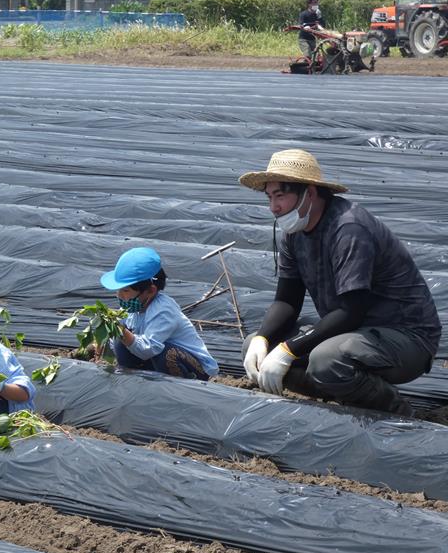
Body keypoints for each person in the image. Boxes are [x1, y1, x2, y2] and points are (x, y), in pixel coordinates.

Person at [238, 149, 441, 416]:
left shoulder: (348, 229)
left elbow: (351, 311)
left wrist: (290, 349)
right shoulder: (294, 231)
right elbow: (287, 300)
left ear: (309, 193)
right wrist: (263, 338)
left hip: (406, 337)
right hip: (354, 333)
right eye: (270, 197)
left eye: (281, 196)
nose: (274, 207)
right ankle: (349, 393)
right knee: (257, 348)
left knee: (325, 360)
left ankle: (398, 414)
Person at [100, 247, 218, 380]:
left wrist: (121, 331)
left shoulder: (164, 310)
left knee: (166, 353)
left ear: (150, 291)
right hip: (154, 362)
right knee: (119, 341)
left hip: (195, 369)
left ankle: (180, 392)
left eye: (125, 291)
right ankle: (131, 383)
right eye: (118, 290)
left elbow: (148, 349)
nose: (120, 296)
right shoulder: (134, 307)